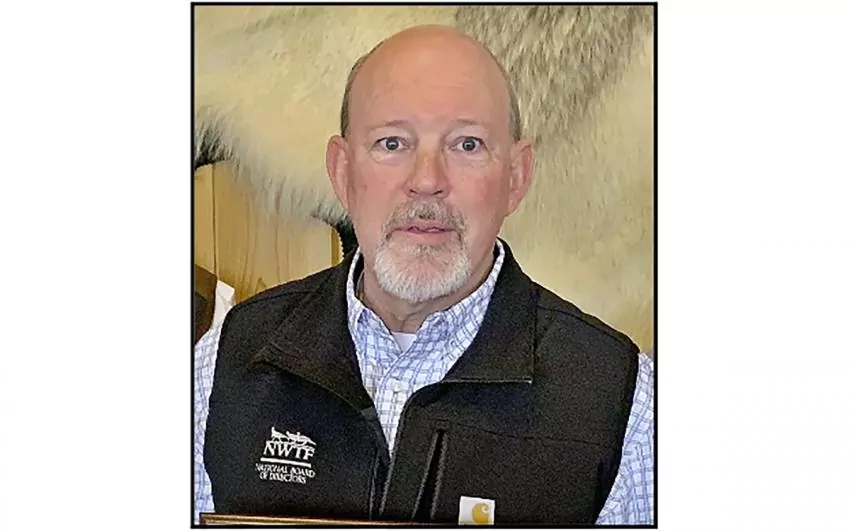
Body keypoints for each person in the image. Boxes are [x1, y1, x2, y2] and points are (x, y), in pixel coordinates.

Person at [194, 24, 654, 525]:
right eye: (392, 143)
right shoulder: (220, 365)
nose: (427, 181)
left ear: (516, 177)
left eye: (467, 145)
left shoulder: (624, 403)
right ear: (342, 172)